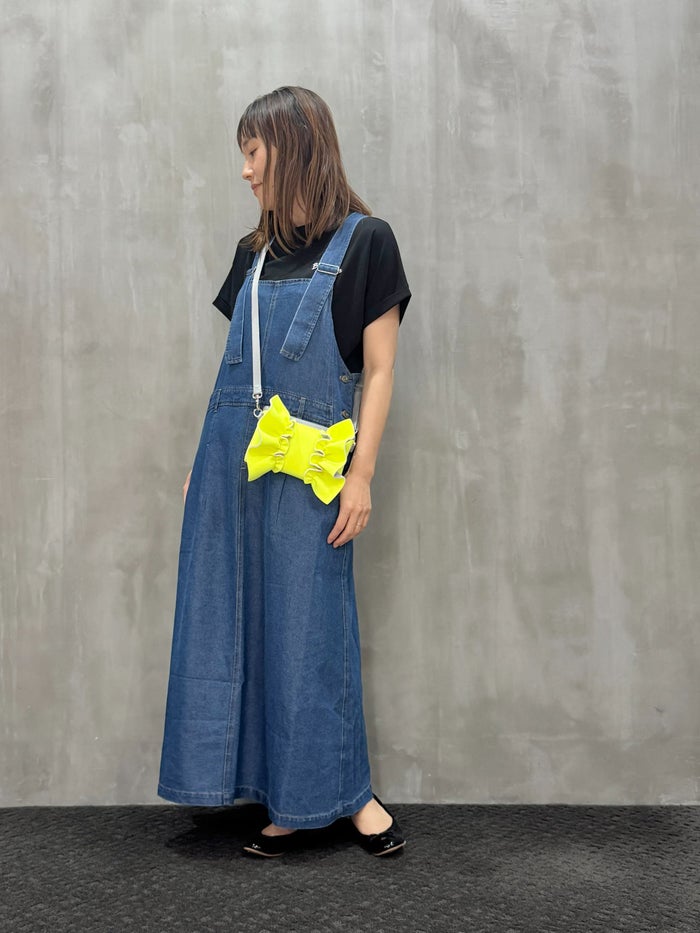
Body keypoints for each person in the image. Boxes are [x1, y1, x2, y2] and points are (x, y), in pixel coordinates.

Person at [157, 86, 411, 858]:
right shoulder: (254, 254)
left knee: (308, 628)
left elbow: (379, 371)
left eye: (253, 152)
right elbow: (235, 370)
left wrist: (361, 474)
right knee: (228, 623)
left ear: (293, 147)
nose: (245, 170)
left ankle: (334, 796)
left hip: (309, 467)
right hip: (232, 461)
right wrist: (203, 465)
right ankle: (264, 785)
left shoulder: (367, 243)